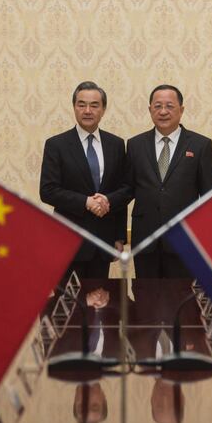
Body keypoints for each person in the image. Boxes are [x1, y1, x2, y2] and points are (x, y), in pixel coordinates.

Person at [124, 85, 212, 278]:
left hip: (184, 240)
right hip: (145, 239)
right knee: (145, 298)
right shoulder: (135, 145)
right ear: (150, 109)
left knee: (182, 300)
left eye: (169, 106)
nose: (163, 111)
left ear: (181, 110)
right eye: (157, 106)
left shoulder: (200, 145)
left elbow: (210, 197)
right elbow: (127, 190)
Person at [40, 82, 127, 280]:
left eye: (94, 105)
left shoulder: (116, 144)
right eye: (81, 104)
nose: (87, 110)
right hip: (68, 240)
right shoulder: (56, 145)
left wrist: (119, 236)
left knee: (100, 304)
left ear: (103, 109)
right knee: (70, 305)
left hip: (103, 241)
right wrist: (86, 202)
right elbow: (48, 190)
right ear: (74, 107)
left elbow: (123, 190)